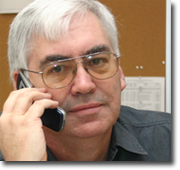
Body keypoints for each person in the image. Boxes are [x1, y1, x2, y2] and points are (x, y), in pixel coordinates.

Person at [0, 0, 171, 161]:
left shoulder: (170, 140)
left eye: (97, 61)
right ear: (22, 85)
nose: (84, 85)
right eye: (58, 69)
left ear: (119, 73)